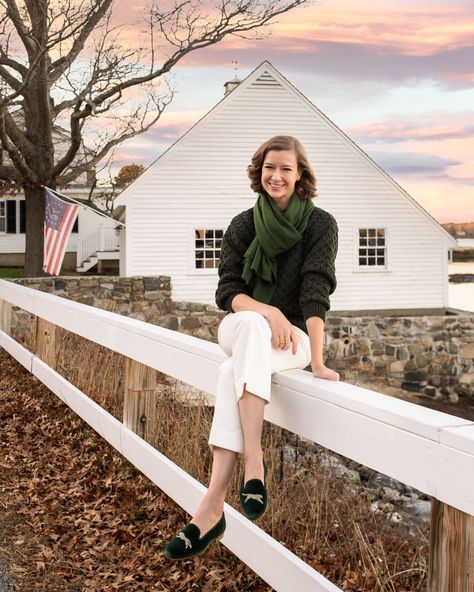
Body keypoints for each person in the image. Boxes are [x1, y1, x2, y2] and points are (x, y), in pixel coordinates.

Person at [164, 135, 339, 560]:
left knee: (230, 373)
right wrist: (269, 313)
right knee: (252, 328)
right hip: (241, 326)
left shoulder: (320, 225)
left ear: (300, 176)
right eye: (268, 168)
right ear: (259, 174)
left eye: (285, 168)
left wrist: (316, 360)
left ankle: (210, 506)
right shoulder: (243, 225)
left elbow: (316, 292)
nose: (275, 176)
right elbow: (229, 292)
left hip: (292, 339)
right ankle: (255, 458)